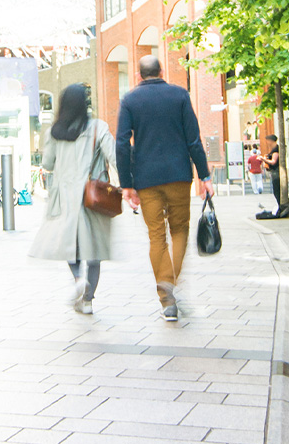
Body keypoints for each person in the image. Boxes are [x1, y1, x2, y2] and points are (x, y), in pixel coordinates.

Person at [115, 55, 213, 322]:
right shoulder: (179, 95)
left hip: (146, 179)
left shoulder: (130, 100)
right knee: (179, 230)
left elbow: (122, 143)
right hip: (179, 175)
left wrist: (126, 184)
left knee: (156, 236)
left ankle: (166, 299)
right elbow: (194, 139)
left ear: (138, 75)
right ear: (162, 72)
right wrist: (204, 176)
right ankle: (170, 282)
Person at [29, 84, 116, 315]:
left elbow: (47, 164)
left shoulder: (54, 132)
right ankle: (87, 301)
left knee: (70, 245)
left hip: (65, 197)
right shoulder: (98, 127)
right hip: (93, 196)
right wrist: (129, 185)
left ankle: (78, 279)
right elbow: (114, 155)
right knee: (94, 251)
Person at [262, 135, 284, 207]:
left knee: (277, 191)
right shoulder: (274, 149)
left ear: (271, 141)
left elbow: (273, 161)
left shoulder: (275, 150)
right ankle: (281, 206)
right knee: (276, 191)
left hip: (276, 172)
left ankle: (281, 206)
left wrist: (263, 159)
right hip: (274, 171)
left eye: (268, 141)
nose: (267, 143)